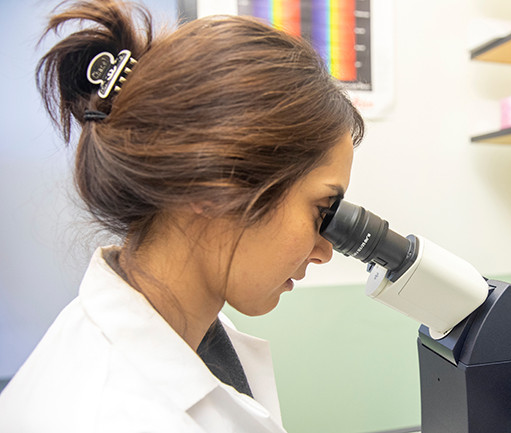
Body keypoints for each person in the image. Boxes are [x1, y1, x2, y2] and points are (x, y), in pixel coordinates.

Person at [0, 0, 363, 431]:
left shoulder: (199, 333)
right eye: (322, 211)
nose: (325, 250)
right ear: (215, 184)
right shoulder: (112, 415)